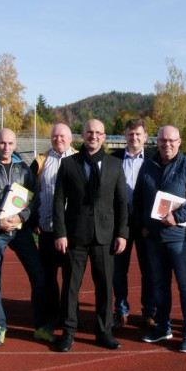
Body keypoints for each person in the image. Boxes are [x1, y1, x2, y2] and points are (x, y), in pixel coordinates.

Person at [53, 119, 128, 352]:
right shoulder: (68, 164)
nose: (93, 136)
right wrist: (60, 232)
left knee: (105, 287)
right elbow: (58, 201)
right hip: (75, 236)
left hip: (105, 237)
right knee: (71, 287)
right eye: (89, 132)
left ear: (104, 137)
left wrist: (122, 233)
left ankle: (104, 332)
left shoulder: (115, 165)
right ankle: (68, 332)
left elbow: (121, 202)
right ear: (82, 136)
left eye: (98, 133)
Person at [134, 125, 186, 353]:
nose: (167, 144)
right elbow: (138, 199)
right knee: (159, 285)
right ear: (156, 142)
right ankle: (163, 326)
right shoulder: (147, 165)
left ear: (179, 142)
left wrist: (177, 216)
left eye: (171, 141)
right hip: (154, 239)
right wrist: (144, 227)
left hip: (181, 239)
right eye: (162, 140)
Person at [0, 128, 52, 347]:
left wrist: (22, 217)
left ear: (15, 144)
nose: (6, 147)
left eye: (9, 143)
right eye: (1, 143)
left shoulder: (24, 168)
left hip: (21, 231)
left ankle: (41, 326)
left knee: (38, 276)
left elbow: (34, 197)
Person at [29, 123, 76, 330]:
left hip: (72, 232)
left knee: (70, 276)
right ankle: (51, 313)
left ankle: (68, 314)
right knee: (48, 276)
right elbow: (27, 193)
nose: (59, 139)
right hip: (46, 229)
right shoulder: (40, 161)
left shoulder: (79, 159)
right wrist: (32, 221)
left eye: (62, 136)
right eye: (55, 136)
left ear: (70, 138)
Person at [110, 118, 156, 329]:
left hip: (146, 226)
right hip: (120, 225)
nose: (134, 138)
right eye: (130, 134)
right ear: (124, 136)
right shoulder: (113, 160)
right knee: (119, 271)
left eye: (138, 134)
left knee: (149, 270)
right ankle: (121, 311)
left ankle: (149, 312)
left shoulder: (155, 161)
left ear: (145, 137)